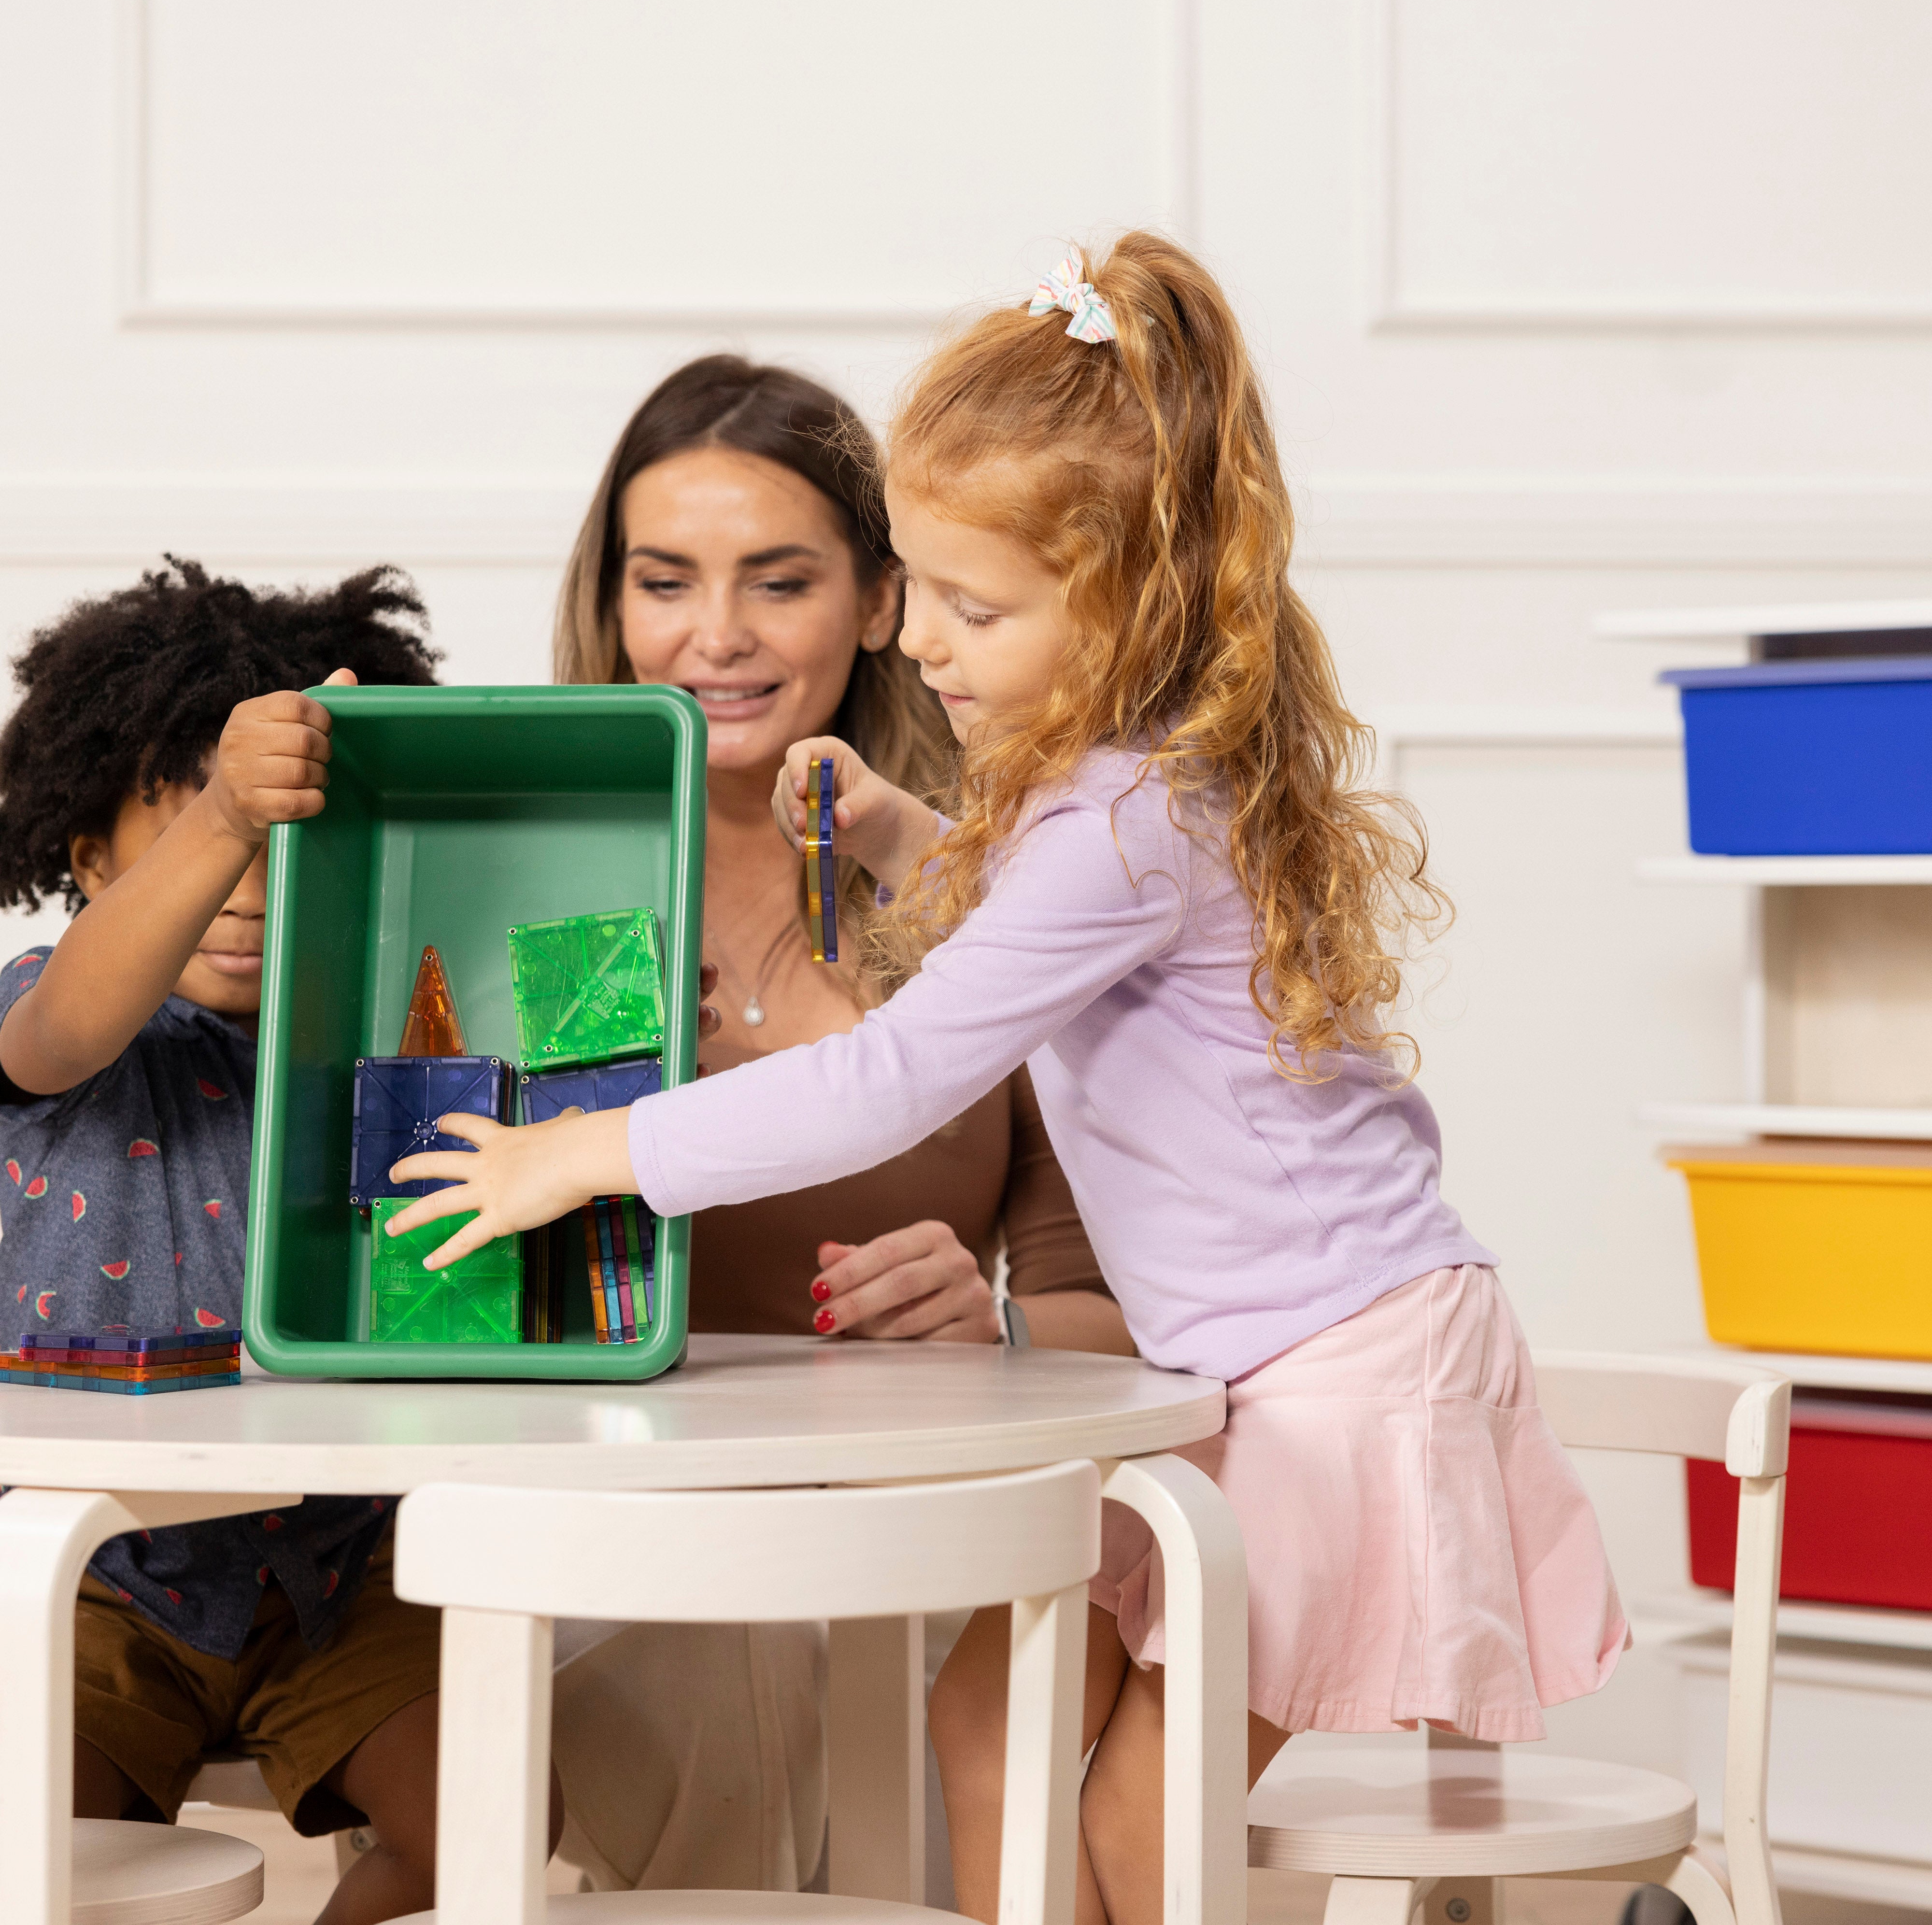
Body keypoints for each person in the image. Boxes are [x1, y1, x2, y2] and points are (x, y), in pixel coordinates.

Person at [392, 232, 1628, 1925]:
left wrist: (590, 1154)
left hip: (1341, 1366)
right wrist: (906, 835)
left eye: (975, 609)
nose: (926, 647)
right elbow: (1035, 910)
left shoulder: (1123, 822)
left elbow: (891, 1077)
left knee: (1142, 1826)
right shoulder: (1102, 804)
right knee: (982, 1709)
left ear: (1122, 607)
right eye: (925, 593)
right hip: (1240, 1372)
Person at [545, 356, 1127, 1894]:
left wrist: (991, 1341)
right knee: (733, 1680)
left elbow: (1103, 1314)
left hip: (914, 1533)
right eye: (664, 581)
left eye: (779, 581)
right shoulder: (515, 865)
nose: (714, 635)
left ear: (883, 599)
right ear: (610, 602)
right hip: (612, 1537)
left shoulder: (1009, 887)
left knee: (933, 1671)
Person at [0, 561, 560, 1925]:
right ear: (87, 859)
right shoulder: (52, 1002)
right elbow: (61, 1031)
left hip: (340, 1570)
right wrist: (230, 805)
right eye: (189, 824)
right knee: (38, 1849)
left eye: (278, 841)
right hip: (98, 1573)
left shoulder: (380, 1040)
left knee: (496, 1815)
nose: (245, 882)